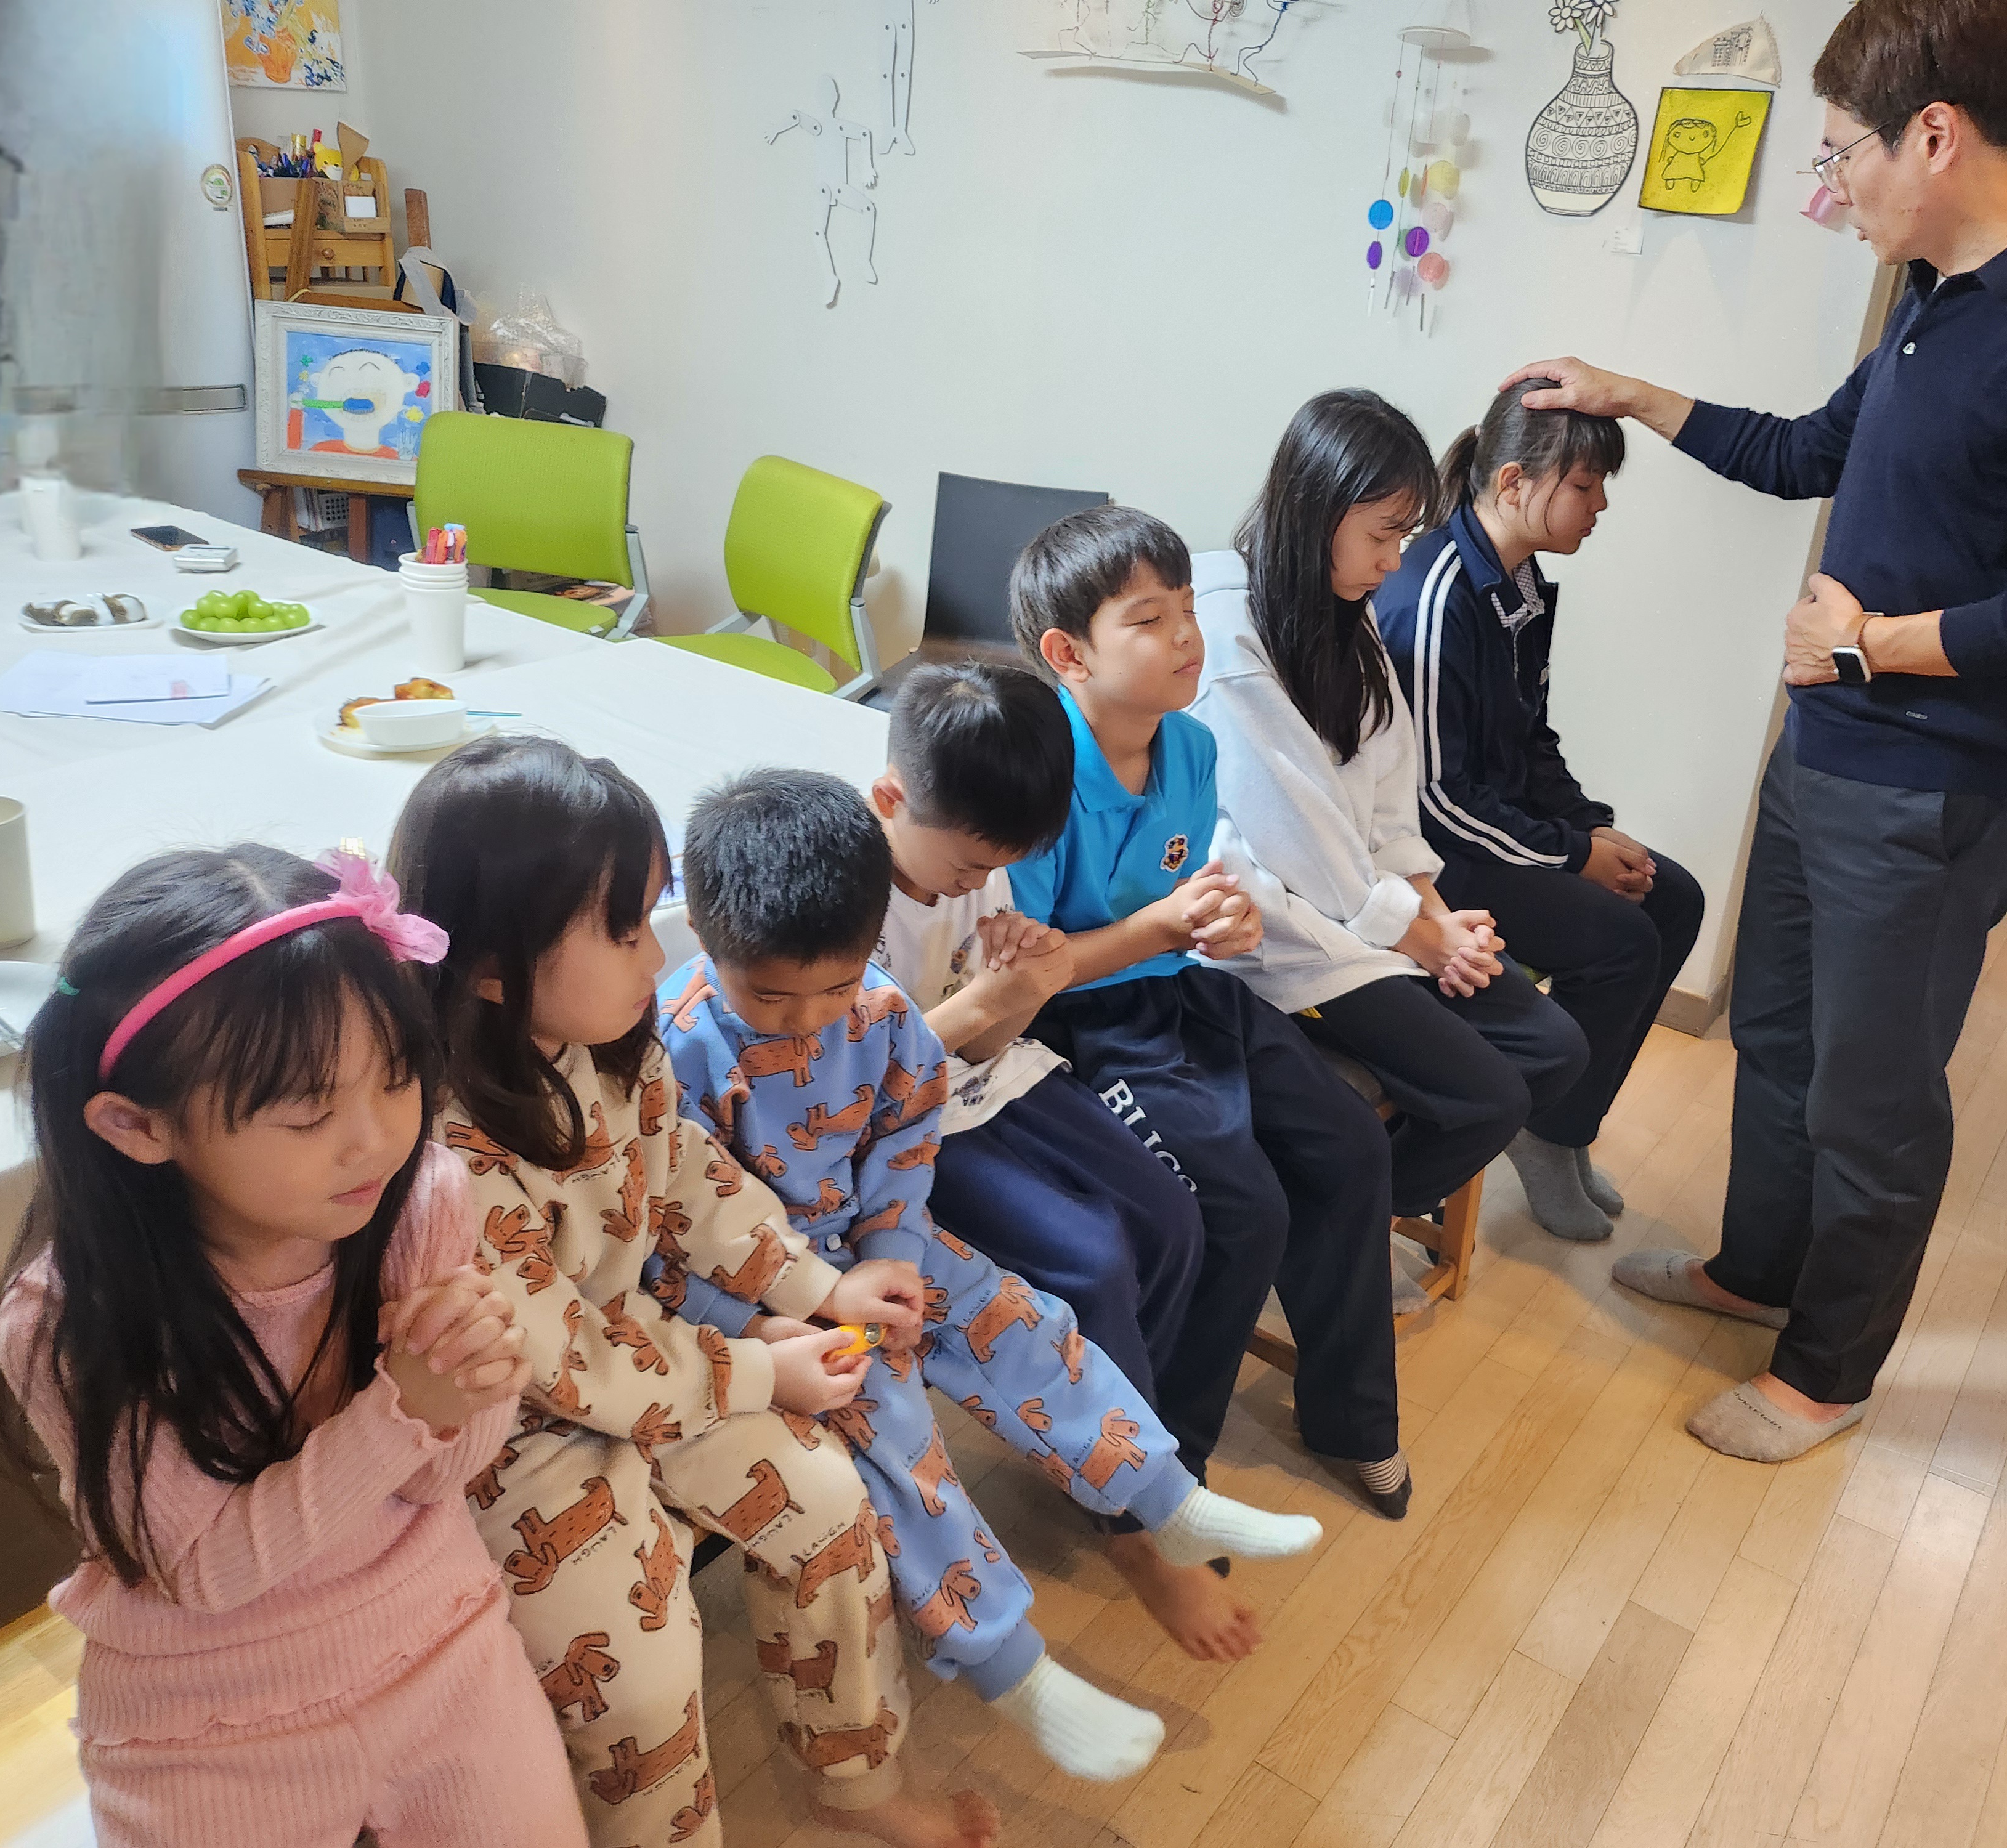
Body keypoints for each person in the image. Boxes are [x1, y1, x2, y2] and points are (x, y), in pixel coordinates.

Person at [1512, 0, 2007, 1461]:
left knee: (1872, 1100)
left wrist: (1867, 645)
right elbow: (1804, 452)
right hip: (1825, 755)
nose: (1830, 189)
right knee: (1773, 1037)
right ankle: (1757, 1273)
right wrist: (1628, 393)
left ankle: (1826, 1376)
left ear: (1930, 136)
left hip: (1934, 792)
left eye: (1837, 155)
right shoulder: (1937, 296)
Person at [389, 737, 997, 1848]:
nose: (658, 950)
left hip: (648, 1360)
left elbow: (699, 1190)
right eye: (627, 928)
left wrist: (825, 1288)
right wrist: (764, 1368)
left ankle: (855, 1784)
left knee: (831, 1507)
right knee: (641, 1679)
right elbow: (563, 1362)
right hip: (510, 1439)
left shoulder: (613, 1046)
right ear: (493, 967)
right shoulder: (448, 1155)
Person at [656, 769, 1324, 1716]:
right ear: (704, 935)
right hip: (769, 1306)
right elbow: (681, 1233)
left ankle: (1166, 1497)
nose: (808, 1019)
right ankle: (1012, 1667)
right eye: (769, 998)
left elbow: (904, 1137)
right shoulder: (675, 1054)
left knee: (1027, 1323)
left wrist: (892, 1248)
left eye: (835, 988)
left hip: (878, 1250)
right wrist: (800, 1311)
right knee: (895, 1434)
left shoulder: (882, 1011)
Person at [0, 844, 585, 1848]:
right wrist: (404, 1410)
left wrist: (471, 1386)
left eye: (397, 1078)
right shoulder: (69, 1319)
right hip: (206, 1708)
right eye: (309, 1114)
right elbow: (208, 1575)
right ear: (138, 1127)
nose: (375, 1139)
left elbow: (442, 1478)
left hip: (434, 1634)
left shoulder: (417, 1197)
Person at [867, 664, 1283, 1657]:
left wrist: (1017, 988)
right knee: (1092, 1261)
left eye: (996, 867)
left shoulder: (980, 852)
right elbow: (865, 1079)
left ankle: (1127, 1455)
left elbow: (984, 1044)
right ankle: (1133, 1533)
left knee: (1174, 1219)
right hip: (902, 1128)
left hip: (990, 1077)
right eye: (969, 866)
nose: (978, 882)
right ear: (889, 800)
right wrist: (997, 993)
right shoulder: (846, 892)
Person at [1006, 503, 1411, 1518]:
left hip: (1177, 991)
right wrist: (1164, 927)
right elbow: (1029, 977)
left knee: (1353, 1145)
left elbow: (1182, 895)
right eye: (1149, 619)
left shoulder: (1187, 746)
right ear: (1068, 654)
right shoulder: (1032, 775)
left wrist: (1221, 921)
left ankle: (1352, 1418)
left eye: (1187, 609)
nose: (1188, 636)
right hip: (1074, 1026)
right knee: (1242, 1212)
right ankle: (1159, 1476)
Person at [1191, 387, 1592, 1266]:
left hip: (1369, 908)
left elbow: (1387, 797)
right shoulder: (1228, 625)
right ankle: (1335, 1233)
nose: (1394, 558)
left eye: (1405, 535)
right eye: (1383, 534)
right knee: (1491, 1097)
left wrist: (1434, 916)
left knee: (1556, 1049)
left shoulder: (1348, 609)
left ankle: (1337, 1217)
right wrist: (1421, 935)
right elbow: (1296, 841)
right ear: (1318, 510)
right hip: (1285, 929)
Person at [1376, 381, 1706, 1243]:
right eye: (1586, 485)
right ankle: (1548, 1131)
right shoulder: (1439, 595)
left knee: (1673, 897)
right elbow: (1439, 802)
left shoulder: (1519, 580)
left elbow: (1531, 737)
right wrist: (1571, 855)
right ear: (1516, 482)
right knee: (1623, 942)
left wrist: (1589, 827)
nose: (1600, 506)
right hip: (1434, 858)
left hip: (1495, 830)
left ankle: (1564, 1127)